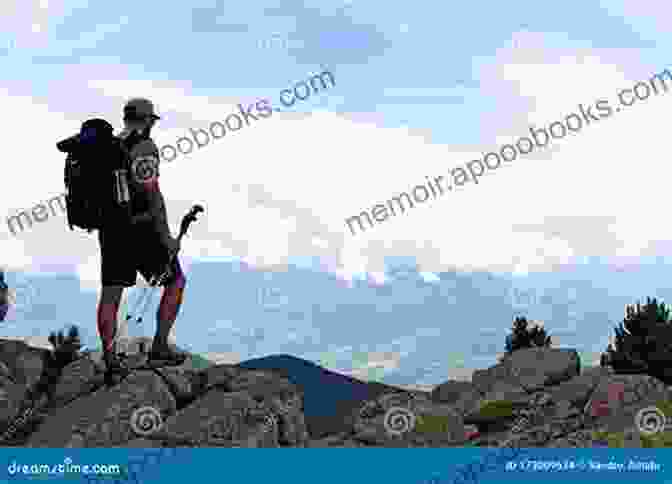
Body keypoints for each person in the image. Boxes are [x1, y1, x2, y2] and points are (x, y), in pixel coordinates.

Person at [97, 98, 187, 376]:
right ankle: (159, 347)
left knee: (111, 295)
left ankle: (111, 361)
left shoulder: (108, 146)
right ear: (147, 120)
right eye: (151, 120)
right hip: (142, 230)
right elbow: (151, 194)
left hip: (111, 231)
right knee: (175, 282)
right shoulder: (144, 148)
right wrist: (167, 238)